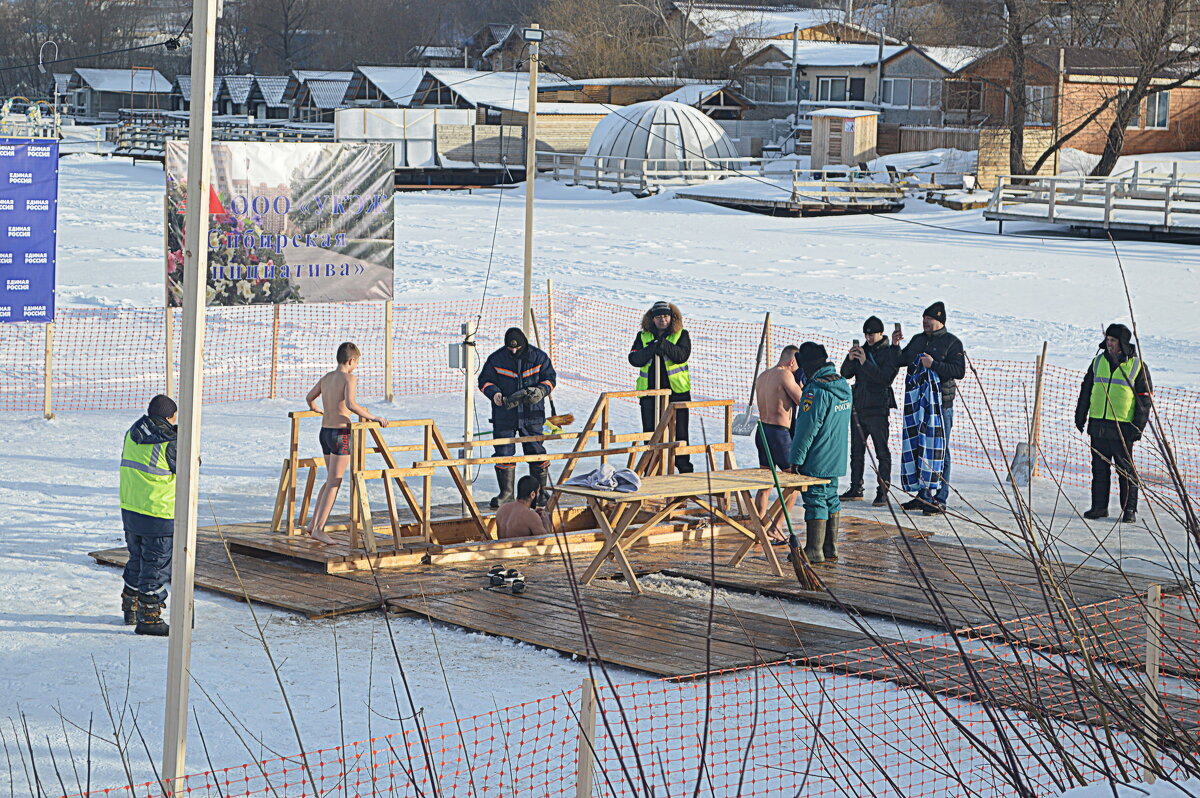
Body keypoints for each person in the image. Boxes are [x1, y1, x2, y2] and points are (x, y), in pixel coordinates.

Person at [304, 341, 389, 545]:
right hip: (341, 433)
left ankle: (312, 524)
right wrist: (373, 417)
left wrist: (315, 408)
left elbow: (309, 397)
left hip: (325, 432)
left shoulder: (327, 378)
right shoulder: (349, 378)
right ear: (351, 361)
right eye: (356, 363)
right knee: (335, 481)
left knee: (329, 479)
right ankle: (319, 528)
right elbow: (351, 404)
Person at [893, 302, 966, 515]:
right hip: (918, 404)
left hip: (941, 405)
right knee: (919, 445)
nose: (925, 322)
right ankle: (923, 495)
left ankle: (939, 498)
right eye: (923, 318)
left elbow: (958, 371)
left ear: (940, 320)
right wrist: (895, 345)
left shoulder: (952, 343)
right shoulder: (918, 340)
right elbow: (901, 361)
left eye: (929, 319)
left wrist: (933, 365)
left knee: (939, 448)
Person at [1075, 323, 1152, 523]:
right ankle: (1099, 507)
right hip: (1098, 424)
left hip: (1123, 427)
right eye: (1107, 340)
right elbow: (1086, 391)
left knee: (1125, 471)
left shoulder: (1137, 366)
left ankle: (1129, 510)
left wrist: (1138, 427)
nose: (1109, 344)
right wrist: (1081, 415)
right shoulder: (1097, 362)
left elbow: (1144, 400)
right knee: (1099, 469)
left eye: (1113, 341)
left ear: (1123, 344)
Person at [119, 394, 179, 636]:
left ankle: (130, 606)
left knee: (137, 559)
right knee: (155, 565)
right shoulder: (170, 442)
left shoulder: (132, 433)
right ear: (168, 417)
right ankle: (150, 618)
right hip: (158, 512)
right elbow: (189, 468)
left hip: (131, 508)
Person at [478, 327, 558, 509]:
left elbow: (550, 378)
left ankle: (540, 492)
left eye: (517, 347)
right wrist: (494, 394)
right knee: (503, 453)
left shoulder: (539, 357)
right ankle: (506, 494)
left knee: (536, 452)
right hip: (504, 415)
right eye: (510, 348)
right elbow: (484, 381)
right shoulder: (496, 359)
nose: (513, 351)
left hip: (532, 414)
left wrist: (541, 391)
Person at [788, 342, 853, 564]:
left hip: (816, 457)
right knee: (831, 497)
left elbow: (806, 430)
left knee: (815, 499)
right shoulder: (842, 386)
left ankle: (814, 550)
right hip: (836, 456)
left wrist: (796, 459)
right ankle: (830, 547)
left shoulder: (815, 391)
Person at [840, 316, 900, 506]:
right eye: (866, 334)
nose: (869, 337)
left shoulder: (889, 353)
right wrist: (850, 360)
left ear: (881, 333)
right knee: (856, 451)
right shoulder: (862, 350)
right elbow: (845, 374)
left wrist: (866, 362)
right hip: (858, 407)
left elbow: (885, 378)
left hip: (878, 408)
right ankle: (855, 487)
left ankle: (883, 491)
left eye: (872, 334)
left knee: (882, 451)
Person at [628, 300, 694, 473]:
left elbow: (681, 355)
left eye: (665, 316)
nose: (662, 320)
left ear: (672, 318)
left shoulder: (681, 334)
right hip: (650, 394)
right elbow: (634, 359)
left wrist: (663, 344)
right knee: (650, 433)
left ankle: (684, 470)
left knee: (679, 433)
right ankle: (651, 468)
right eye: (658, 317)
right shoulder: (643, 336)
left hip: (677, 393)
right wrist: (652, 348)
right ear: (652, 319)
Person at [753, 344, 805, 541]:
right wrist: (801, 387)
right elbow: (802, 400)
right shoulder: (785, 375)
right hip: (779, 434)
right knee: (794, 483)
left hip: (762, 431)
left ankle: (759, 526)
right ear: (791, 361)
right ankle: (776, 526)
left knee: (766, 482)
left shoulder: (764, 375)